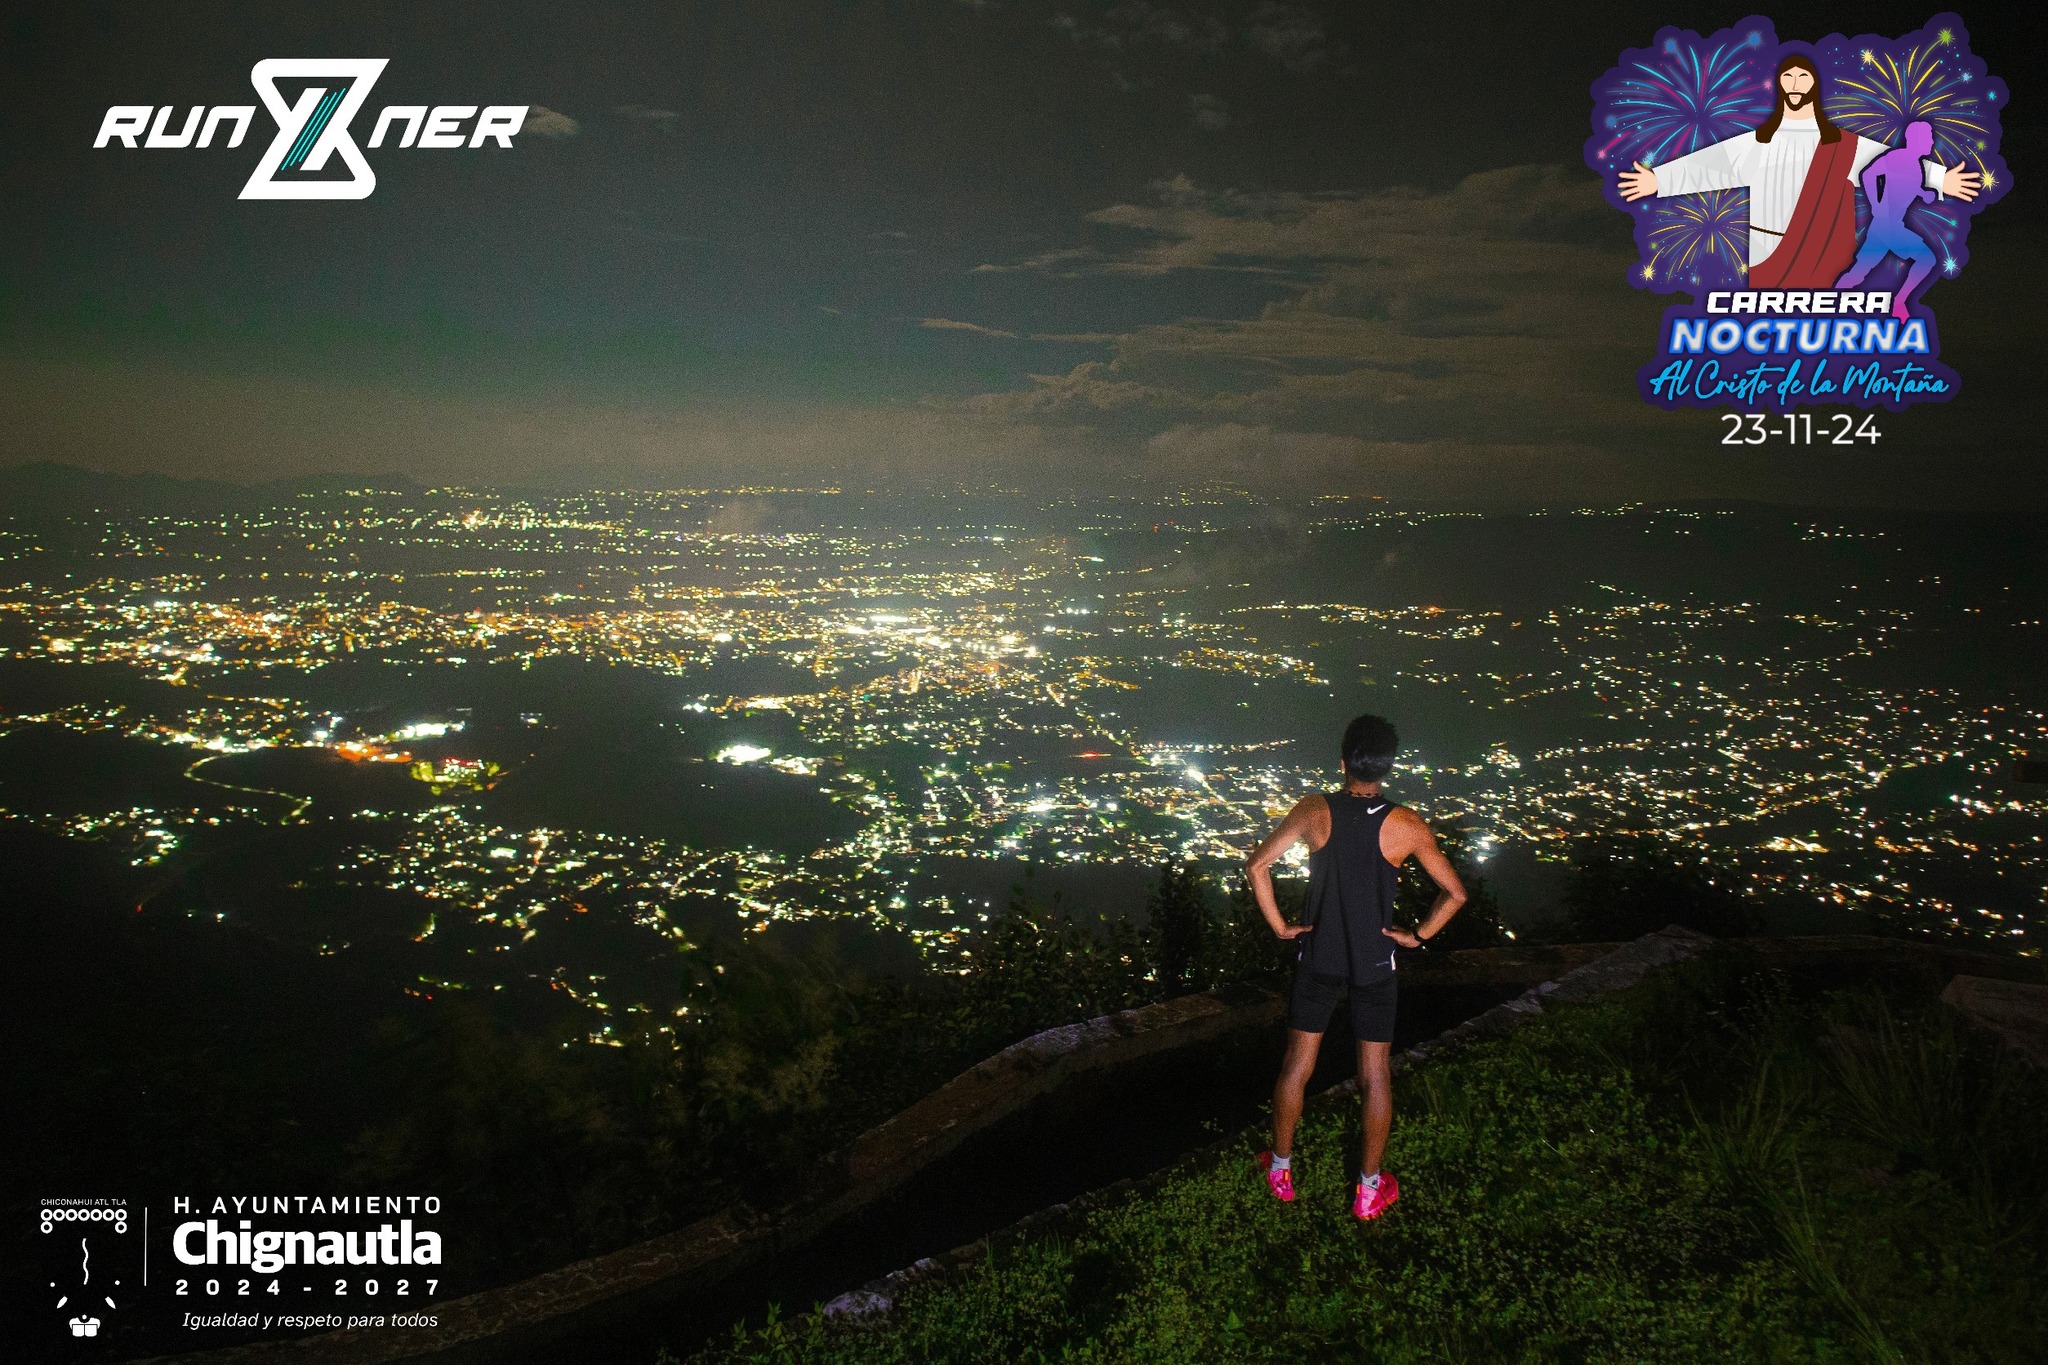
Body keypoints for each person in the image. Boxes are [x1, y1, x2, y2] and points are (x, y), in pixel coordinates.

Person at [1244, 714, 1467, 1221]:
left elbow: (1258, 865)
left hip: (1318, 956)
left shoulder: (1314, 810)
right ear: (1386, 769)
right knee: (1375, 1077)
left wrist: (1281, 927)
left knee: (1296, 1068)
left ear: (1342, 763)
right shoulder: (1406, 824)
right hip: (1374, 963)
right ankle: (1368, 1191)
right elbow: (1454, 893)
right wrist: (1418, 935)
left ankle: (1280, 1170)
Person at [1616, 52, 1977, 288]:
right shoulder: (1758, 142)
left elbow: (1894, 162)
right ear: (1780, 86)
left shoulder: (1843, 144)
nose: (1794, 85)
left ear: (1813, 86)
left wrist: (1941, 179)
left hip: (1824, 252)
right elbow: (1710, 165)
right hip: (1767, 251)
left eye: (1802, 77)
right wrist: (1658, 180)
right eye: (1788, 77)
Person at [1833, 121, 1941, 319]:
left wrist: (1923, 193)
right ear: (1916, 139)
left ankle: (1834, 300)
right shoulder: (1896, 157)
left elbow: (1904, 185)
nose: (1932, 142)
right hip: (1887, 227)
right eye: (1928, 137)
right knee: (1926, 259)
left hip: (1887, 228)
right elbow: (1868, 174)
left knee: (1859, 272)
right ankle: (1898, 303)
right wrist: (1876, 203)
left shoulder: (1915, 166)